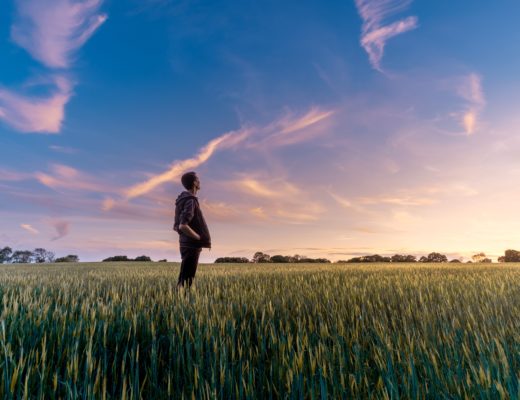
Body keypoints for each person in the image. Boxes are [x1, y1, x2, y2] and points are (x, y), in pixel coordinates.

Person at [173, 171, 211, 289]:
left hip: (185, 243)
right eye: (198, 179)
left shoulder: (183, 200)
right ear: (194, 183)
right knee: (187, 280)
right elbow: (182, 225)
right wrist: (198, 238)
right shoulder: (190, 200)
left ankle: (178, 301)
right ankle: (181, 303)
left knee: (184, 278)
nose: (200, 182)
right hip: (191, 245)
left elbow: (176, 225)